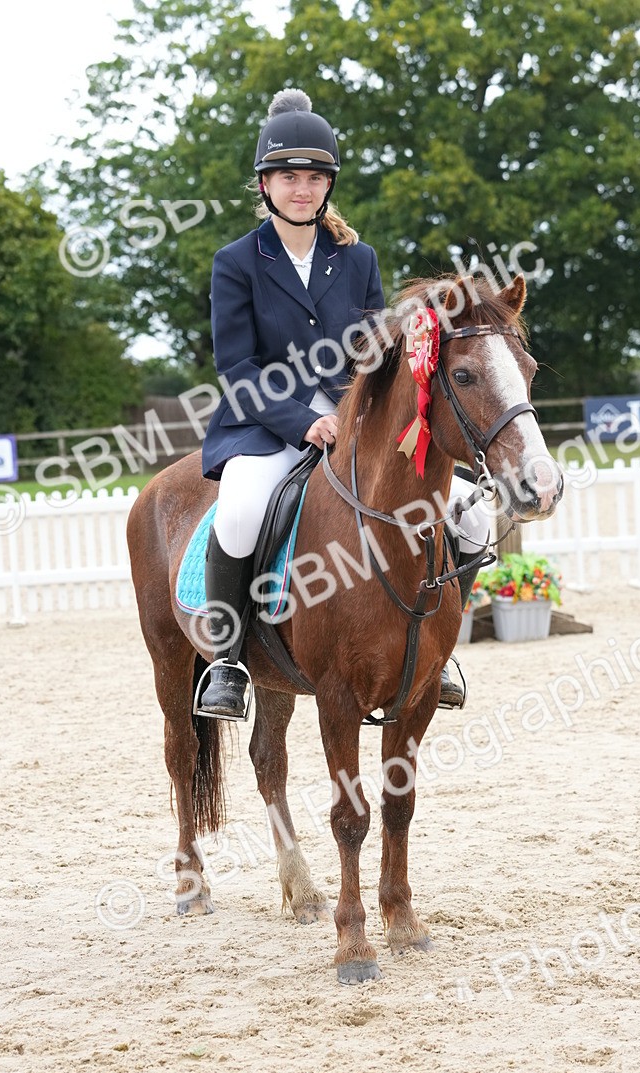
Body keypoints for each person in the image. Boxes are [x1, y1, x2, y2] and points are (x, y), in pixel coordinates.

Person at [198, 88, 489, 719]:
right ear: (265, 184)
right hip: (263, 423)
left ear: (328, 185)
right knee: (243, 509)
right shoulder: (236, 263)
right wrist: (305, 421)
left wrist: (383, 392)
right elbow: (236, 369)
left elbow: (375, 352)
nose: (301, 189)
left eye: (313, 178)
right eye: (288, 177)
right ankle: (226, 663)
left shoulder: (356, 259)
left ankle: (439, 648)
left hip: (354, 418)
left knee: (470, 515)